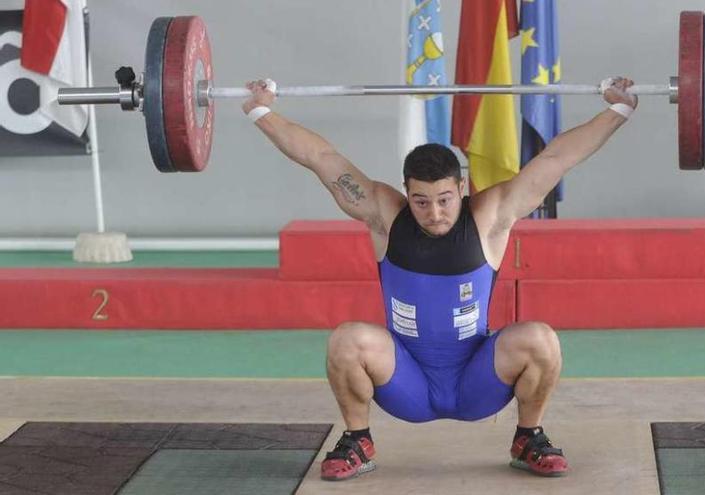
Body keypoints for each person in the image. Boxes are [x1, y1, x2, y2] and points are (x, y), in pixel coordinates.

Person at [242, 77, 637, 481]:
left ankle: (528, 436)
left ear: (461, 187)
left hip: (477, 380)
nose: (434, 213)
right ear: (406, 192)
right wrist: (261, 111)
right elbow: (321, 157)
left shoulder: (490, 216)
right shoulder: (383, 213)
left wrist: (617, 110)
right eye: (421, 201)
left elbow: (556, 159)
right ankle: (357, 440)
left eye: (445, 200)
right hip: (404, 380)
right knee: (347, 339)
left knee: (541, 339)